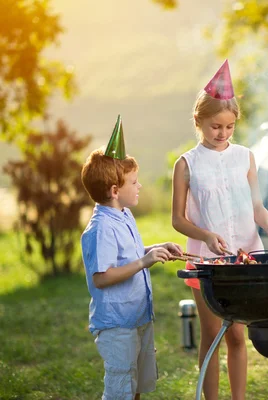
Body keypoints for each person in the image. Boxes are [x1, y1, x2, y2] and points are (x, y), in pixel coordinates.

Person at [171, 60, 268, 400]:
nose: (222, 133)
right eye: (215, 127)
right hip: (207, 264)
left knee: (237, 335)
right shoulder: (186, 164)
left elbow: (257, 206)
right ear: (199, 121)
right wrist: (206, 235)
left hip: (244, 260)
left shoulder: (245, 157)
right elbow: (177, 220)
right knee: (211, 335)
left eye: (229, 127)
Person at [81, 115, 183, 400]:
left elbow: (128, 255)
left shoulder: (123, 216)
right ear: (115, 191)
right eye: (134, 182)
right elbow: (102, 277)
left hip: (137, 316)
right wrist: (143, 263)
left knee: (136, 385)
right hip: (117, 324)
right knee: (120, 388)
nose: (139, 186)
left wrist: (153, 249)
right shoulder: (100, 228)